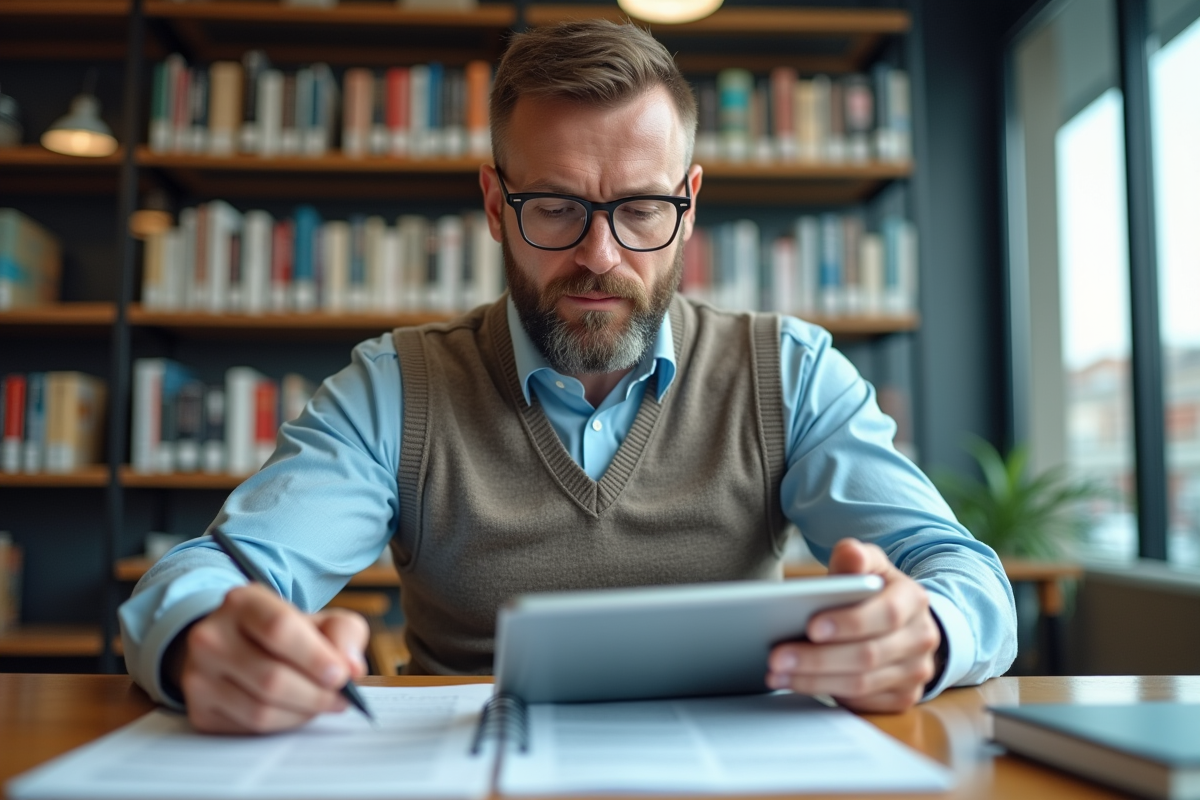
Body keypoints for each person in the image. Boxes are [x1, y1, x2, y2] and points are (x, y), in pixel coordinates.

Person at [121, 19, 1016, 735]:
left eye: (639, 209)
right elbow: (215, 572)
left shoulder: (790, 371)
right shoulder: (398, 386)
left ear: (690, 204)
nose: (600, 255)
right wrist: (205, 642)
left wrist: (929, 633)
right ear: (492, 205)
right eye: (554, 207)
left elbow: (966, 577)